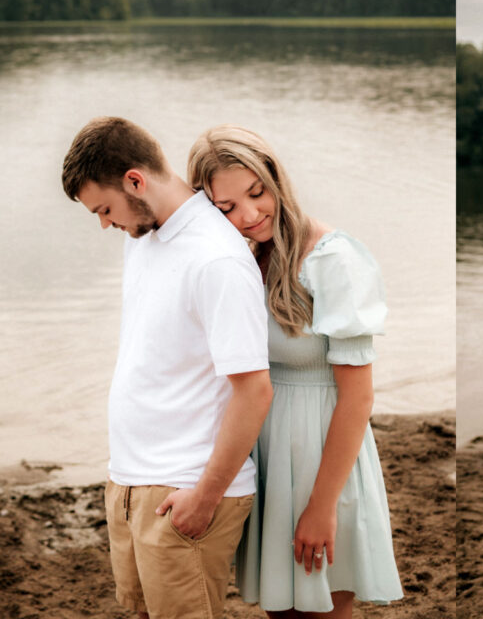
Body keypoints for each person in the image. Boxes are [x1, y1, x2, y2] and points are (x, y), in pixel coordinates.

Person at [61, 117, 273, 619]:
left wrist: (205, 495)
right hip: (131, 481)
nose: (105, 223)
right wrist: (123, 482)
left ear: (136, 181)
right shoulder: (143, 238)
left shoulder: (215, 257)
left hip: (186, 488)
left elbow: (254, 390)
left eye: (105, 208)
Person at [187, 125, 403, 619]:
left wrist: (321, 505)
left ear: (275, 178)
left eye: (257, 193)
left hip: (321, 458)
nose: (249, 215)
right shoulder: (240, 259)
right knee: (282, 611)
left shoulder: (333, 258)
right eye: (226, 208)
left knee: (323, 611)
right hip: (264, 453)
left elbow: (358, 398)